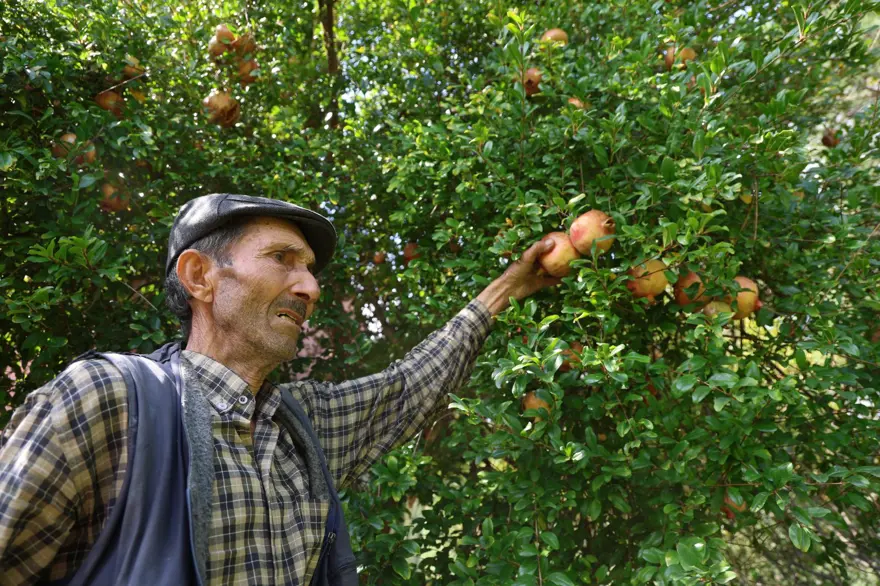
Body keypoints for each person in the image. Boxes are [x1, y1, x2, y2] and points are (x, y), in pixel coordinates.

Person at [0, 193, 560, 585]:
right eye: (282, 260)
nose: (310, 286)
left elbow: (412, 385)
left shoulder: (305, 426)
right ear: (200, 277)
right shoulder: (107, 400)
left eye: (311, 269)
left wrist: (512, 285)